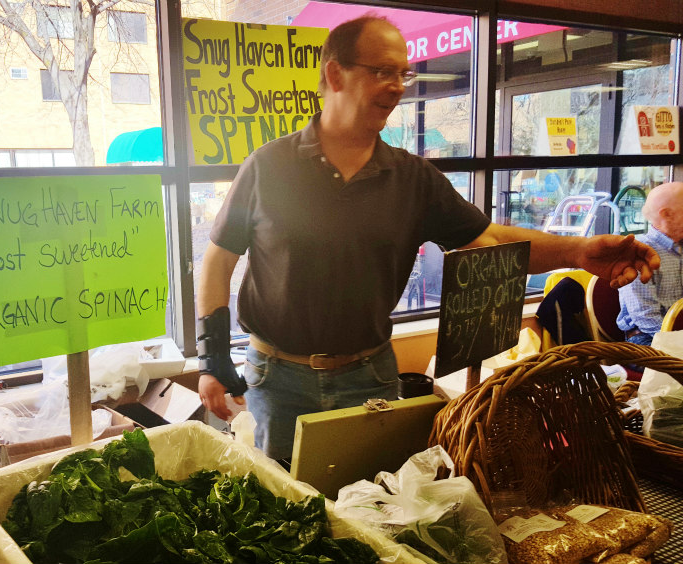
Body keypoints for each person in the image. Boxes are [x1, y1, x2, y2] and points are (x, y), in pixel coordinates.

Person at [196, 16, 660, 461]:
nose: (397, 87)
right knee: (282, 503)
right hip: (277, 378)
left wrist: (580, 251)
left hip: (369, 376)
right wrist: (212, 358)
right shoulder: (269, 166)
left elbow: (488, 239)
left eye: (403, 74)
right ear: (335, 74)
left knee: (368, 503)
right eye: (382, 71)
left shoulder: (413, 178)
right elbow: (217, 261)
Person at [617, 182, 683, 345]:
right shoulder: (638, 252)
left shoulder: (680, 245)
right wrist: (676, 341)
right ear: (667, 214)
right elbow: (646, 317)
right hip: (647, 337)